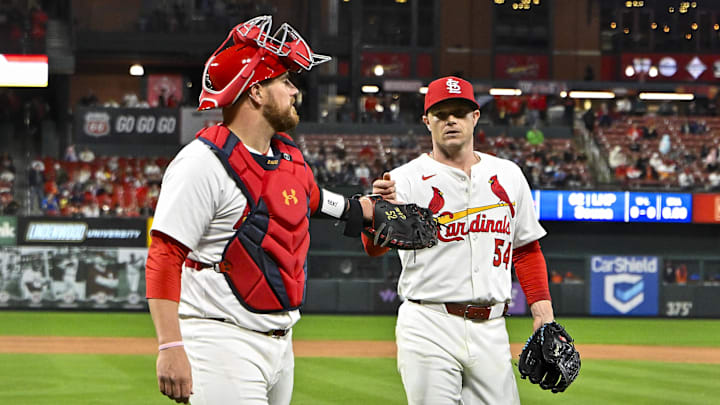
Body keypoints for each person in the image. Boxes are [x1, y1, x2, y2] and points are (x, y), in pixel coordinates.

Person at [145, 16, 377, 405]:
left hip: (281, 344)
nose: (293, 90)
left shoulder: (287, 158)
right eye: (284, 81)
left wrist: (367, 209)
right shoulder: (202, 163)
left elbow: (319, 202)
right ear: (255, 92)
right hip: (221, 342)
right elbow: (165, 255)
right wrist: (170, 345)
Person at [366, 76, 556, 404]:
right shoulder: (403, 179)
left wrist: (543, 310)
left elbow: (525, 249)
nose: (451, 119)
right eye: (441, 114)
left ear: (475, 117)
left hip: (492, 327)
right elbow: (373, 248)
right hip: (429, 322)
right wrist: (381, 213)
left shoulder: (509, 174)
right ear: (427, 122)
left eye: (459, 111)